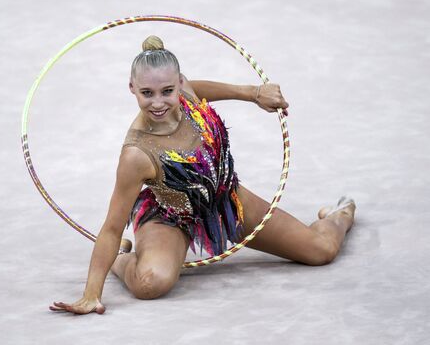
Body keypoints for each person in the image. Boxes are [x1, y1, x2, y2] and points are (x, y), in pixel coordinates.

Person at [49, 35, 356, 315]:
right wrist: (91, 293)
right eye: (146, 93)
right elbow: (112, 225)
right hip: (172, 216)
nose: (158, 103)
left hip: (227, 200)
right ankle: (120, 258)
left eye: (167, 91)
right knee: (149, 284)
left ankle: (339, 214)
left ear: (180, 83)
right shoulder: (136, 153)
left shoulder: (186, 95)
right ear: (132, 88)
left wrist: (253, 93)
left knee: (322, 251)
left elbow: (202, 89)